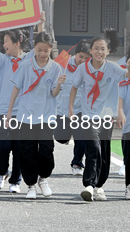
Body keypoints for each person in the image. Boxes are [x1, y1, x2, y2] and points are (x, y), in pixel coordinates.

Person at [69, 30, 130, 201]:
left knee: (104, 151)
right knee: (93, 148)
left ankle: (99, 186)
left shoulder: (112, 68)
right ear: (91, 50)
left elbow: (127, 76)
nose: (99, 52)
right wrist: (71, 109)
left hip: (106, 117)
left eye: (103, 49)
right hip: (89, 116)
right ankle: (88, 184)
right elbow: (74, 87)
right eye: (96, 48)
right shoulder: (83, 69)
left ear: (108, 51)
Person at [7, 32, 65, 199]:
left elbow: (54, 94)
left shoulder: (55, 68)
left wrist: (59, 84)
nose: (42, 54)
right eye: (39, 50)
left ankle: (43, 178)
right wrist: (10, 111)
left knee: (47, 150)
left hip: (46, 117)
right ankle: (31, 185)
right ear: (34, 48)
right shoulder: (26, 65)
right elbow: (16, 88)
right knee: (27, 151)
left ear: (50, 50)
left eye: (46, 51)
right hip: (26, 116)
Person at [0, 18, 31, 194]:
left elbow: (43, 49)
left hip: (23, 113)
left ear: (17, 42)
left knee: (18, 148)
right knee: (2, 146)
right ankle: (1, 172)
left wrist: (41, 23)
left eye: (6, 42)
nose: (4, 45)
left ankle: (16, 180)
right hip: (3, 112)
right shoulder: (3, 61)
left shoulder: (29, 59)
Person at [54, 40, 91, 176]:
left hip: (80, 110)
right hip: (62, 109)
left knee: (81, 139)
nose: (82, 60)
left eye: (87, 58)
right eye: (81, 56)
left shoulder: (91, 69)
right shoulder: (62, 63)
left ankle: (77, 163)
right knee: (61, 138)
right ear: (75, 54)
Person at [117, 70, 130, 199]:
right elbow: (119, 105)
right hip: (128, 127)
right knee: (128, 158)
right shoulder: (123, 85)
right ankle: (129, 186)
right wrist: (119, 113)